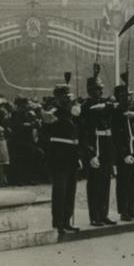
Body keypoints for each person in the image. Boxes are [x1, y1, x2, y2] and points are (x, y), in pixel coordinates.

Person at [41, 83, 81, 235]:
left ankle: (66, 220)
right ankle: (58, 222)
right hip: (58, 156)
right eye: (64, 95)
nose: (67, 98)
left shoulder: (69, 112)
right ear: (58, 96)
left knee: (70, 189)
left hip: (71, 154)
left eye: (68, 95)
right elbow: (47, 122)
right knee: (60, 190)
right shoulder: (54, 110)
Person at [81, 71, 116, 227]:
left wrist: (107, 104)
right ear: (89, 91)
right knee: (94, 183)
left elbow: (116, 107)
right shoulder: (86, 106)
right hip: (94, 146)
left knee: (105, 183)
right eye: (96, 89)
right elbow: (84, 133)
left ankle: (103, 214)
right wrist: (90, 155)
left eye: (100, 89)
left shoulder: (105, 104)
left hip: (106, 145)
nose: (100, 92)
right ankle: (94, 215)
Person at [111, 82, 134, 221]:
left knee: (133, 182)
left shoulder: (133, 110)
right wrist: (124, 154)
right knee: (123, 183)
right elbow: (117, 136)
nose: (129, 99)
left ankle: (132, 209)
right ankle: (124, 211)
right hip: (125, 151)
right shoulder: (117, 112)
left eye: (130, 96)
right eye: (126, 96)